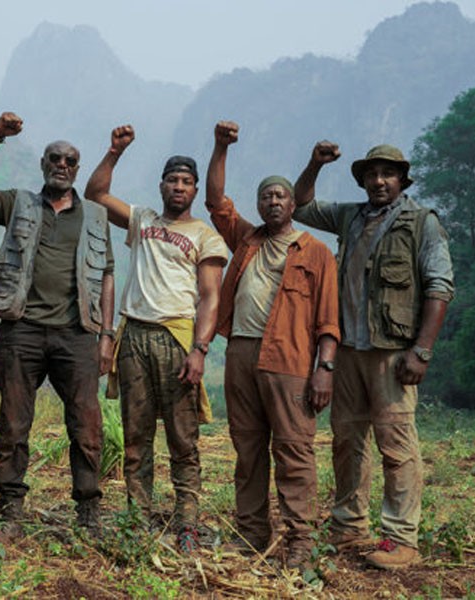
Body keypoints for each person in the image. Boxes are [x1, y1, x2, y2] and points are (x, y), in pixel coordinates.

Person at [293, 141, 454, 569]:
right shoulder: (350, 216)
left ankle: (401, 538)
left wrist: (421, 351)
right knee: (347, 441)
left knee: (396, 444)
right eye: (371, 174)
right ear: (362, 180)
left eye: (387, 174)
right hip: (348, 350)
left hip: (392, 353)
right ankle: (350, 526)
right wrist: (315, 164)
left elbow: (439, 287)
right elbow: (301, 205)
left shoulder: (422, 222)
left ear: (402, 179)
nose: (379, 181)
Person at [0, 112, 115, 535]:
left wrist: (106, 336)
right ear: (43, 165)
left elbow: (106, 276)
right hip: (21, 329)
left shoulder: (95, 217)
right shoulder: (19, 204)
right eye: (54, 159)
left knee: (86, 424)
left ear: (77, 169)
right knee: (13, 423)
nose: (62, 165)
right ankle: (11, 507)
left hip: (77, 333)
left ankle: (88, 509)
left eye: (69, 161)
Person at [84, 124, 227, 554]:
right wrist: (115, 151)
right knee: (137, 437)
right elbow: (95, 193)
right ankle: (138, 519)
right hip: (134, 338)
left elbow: (210, 297)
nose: (178, 187)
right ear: (161, 185)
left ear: (195, 189)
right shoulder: (142, 219)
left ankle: (187, 524)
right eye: (172, 180)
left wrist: (200, 349)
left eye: (186, 181)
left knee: (183, 439)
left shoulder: (205, 235)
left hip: (177, 338)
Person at [205, 121, 340, 569]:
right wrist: (221, 147)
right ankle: (251, 534)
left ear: (293, 204)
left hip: (290, 359)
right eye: (266, 196)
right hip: (241, 354)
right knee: (247, 448)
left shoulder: (315, 251)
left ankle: (301, 541)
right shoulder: (247, 239)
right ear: (259, 204)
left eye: (281, 196)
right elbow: (215, 201)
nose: (273, 202)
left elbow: (329, 320)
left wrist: (324, 370)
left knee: (294, 450)